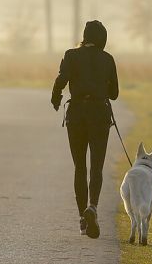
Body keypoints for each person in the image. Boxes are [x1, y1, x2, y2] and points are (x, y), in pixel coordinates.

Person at [51, 20, 119, 239]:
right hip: (99, 114)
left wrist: (56, 99)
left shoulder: (71, 55)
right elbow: (115, 93)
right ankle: (93, 208)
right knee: (96, 166)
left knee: (79, 167)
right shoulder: (108, 59)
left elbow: (60, 81)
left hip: (77, 114)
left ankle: (82, 218)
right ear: (102, 39)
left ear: (85, 36)